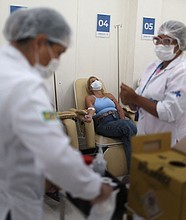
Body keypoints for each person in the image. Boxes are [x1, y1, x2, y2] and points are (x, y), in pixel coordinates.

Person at [0, 7, 113, 220]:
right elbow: (54, 152)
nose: (56, 61)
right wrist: (93, 189)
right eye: (58, 53)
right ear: (40, 42)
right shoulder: (25, 85)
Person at [120, 20, 186, 146]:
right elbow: (139, 99)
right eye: (158, 39)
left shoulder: (184, 72)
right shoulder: (153, 67)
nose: (160, 44)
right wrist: (129, 101)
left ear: (179, 44)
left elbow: (169, 112)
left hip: (170, 142)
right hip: (145, 138)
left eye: (167, 41)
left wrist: (135, 98)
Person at [84, 76, 137, 172]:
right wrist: (90, 116)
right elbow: (91, 109)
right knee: (127, 127)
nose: (96, 82)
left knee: (129, 130)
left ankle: (132, 172)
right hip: (104, 123)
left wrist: (123, 120)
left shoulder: (109, 96)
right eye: (92, 81)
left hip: (118, 120)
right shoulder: (90, 98)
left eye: (97, 80)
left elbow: (119, 109)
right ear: (90, 87)